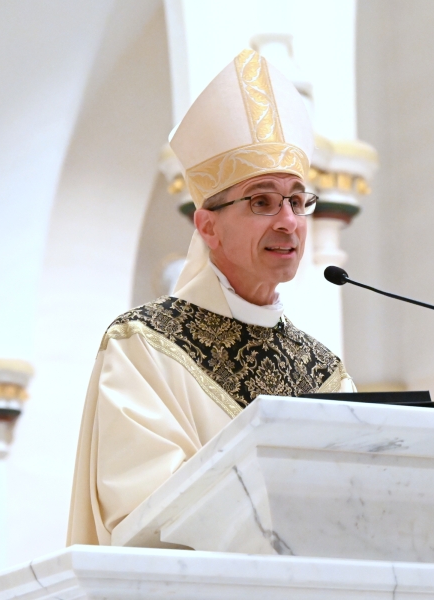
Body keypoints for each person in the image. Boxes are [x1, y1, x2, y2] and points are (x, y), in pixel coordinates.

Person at [67, 49, 356, 546]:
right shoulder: (145, 347)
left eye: (296, 200)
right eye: (262, 201)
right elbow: (144, 513)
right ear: (208, 226)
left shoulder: (324, 371)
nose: (287, 220)